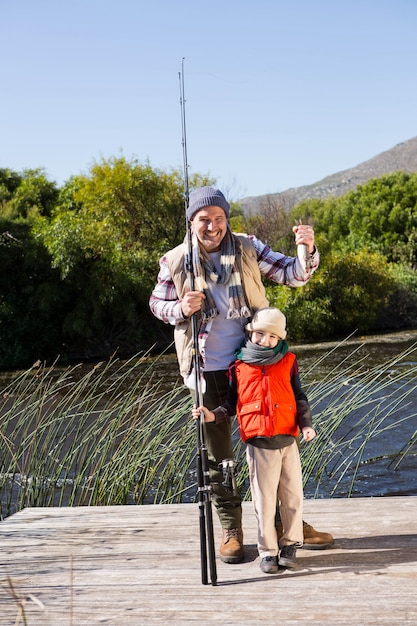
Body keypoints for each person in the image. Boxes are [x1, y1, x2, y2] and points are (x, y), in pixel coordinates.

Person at [149, 185, 334, 563]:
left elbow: (292, 275)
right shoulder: (175, 260)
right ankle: (232, 528)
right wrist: (181, 308)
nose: (212, 226)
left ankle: (288, 527)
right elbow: (156, 304)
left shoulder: (248, 246)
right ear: (192, 222)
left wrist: (307, 249)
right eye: (204, 219)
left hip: (256, 366)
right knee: (219, 456)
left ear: (226, 219)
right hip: (206, 370)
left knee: (276, 447)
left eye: (218, 218)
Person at [193, 307, 316, 573]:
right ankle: (268, 552)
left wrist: (306, 425)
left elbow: (299, 396)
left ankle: (290, 543)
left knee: (293, 496)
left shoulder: (288, 361)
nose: (265, 341)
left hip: (288, 441)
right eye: (259, 334)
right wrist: (211, 416)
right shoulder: (238, 367)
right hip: (259, 445)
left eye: (272, 337)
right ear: (250, 333)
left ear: (279, 339)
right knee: (264, 500)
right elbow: (229, 405)